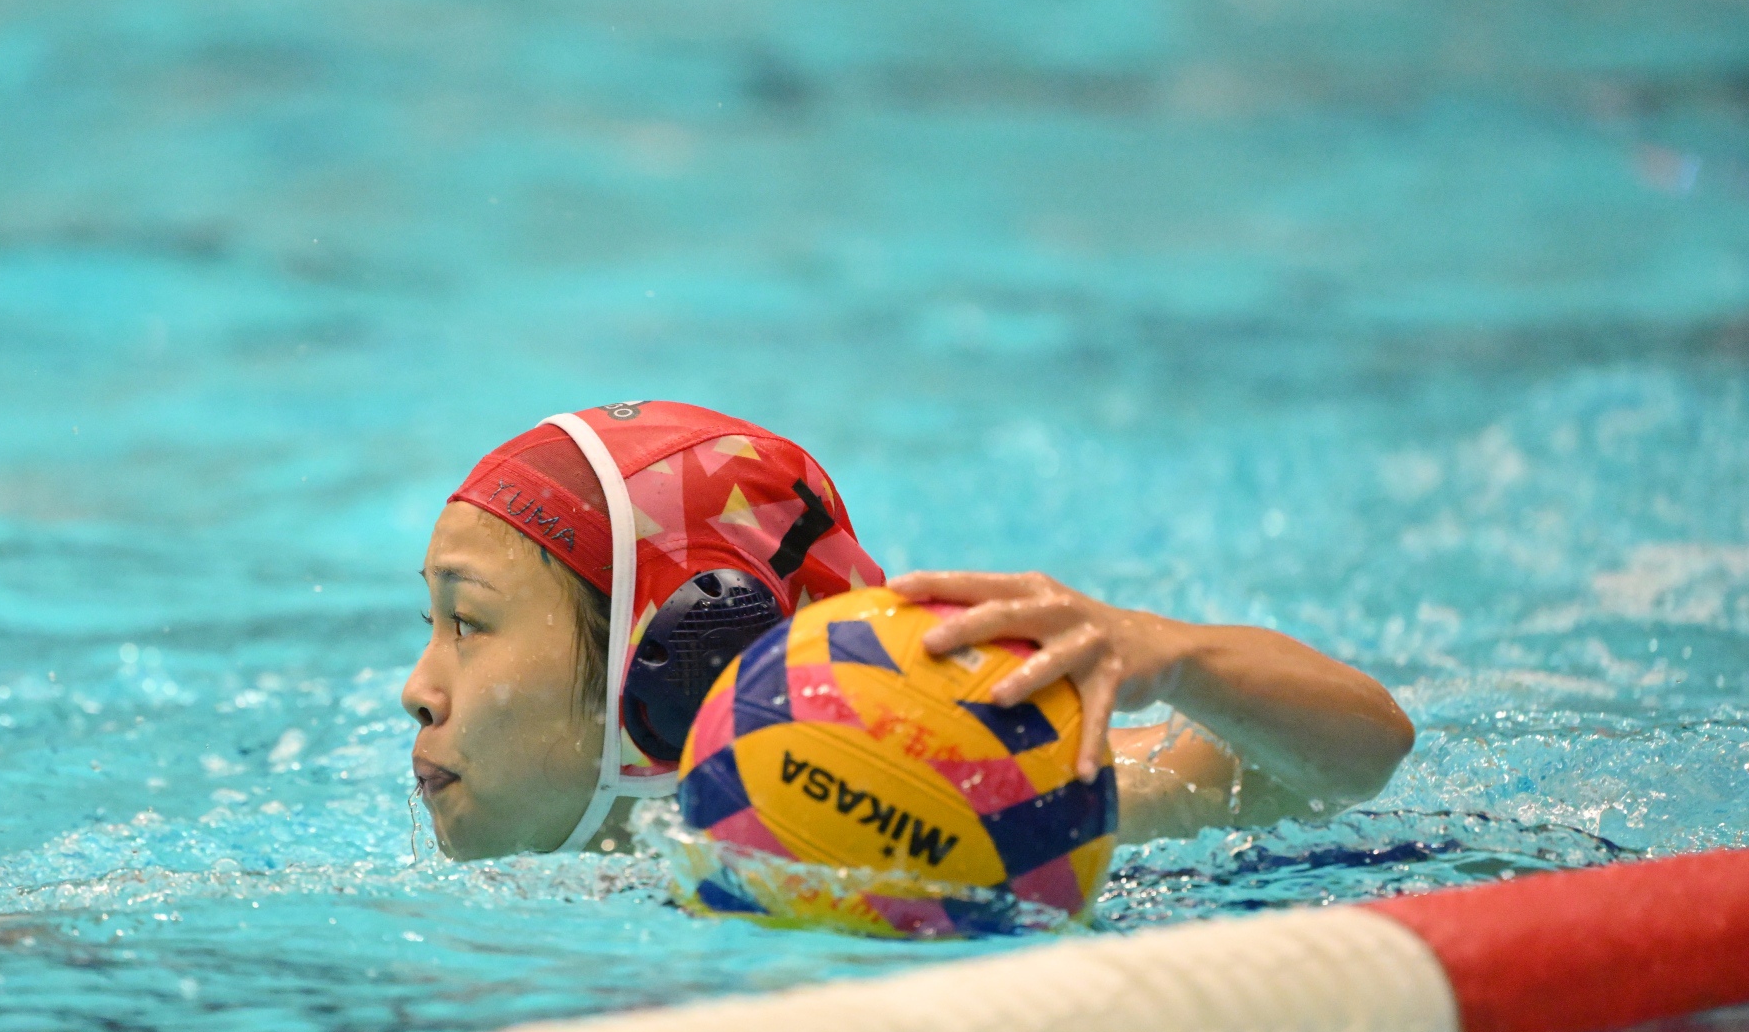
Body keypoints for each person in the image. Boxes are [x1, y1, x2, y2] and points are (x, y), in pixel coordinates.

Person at [403, 401, 1413, 864]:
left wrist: (1175, 657)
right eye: (432, 624)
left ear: (680, 654)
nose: (418, 687)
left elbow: (1357, 757)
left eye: (468, 623)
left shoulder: (924, 802)